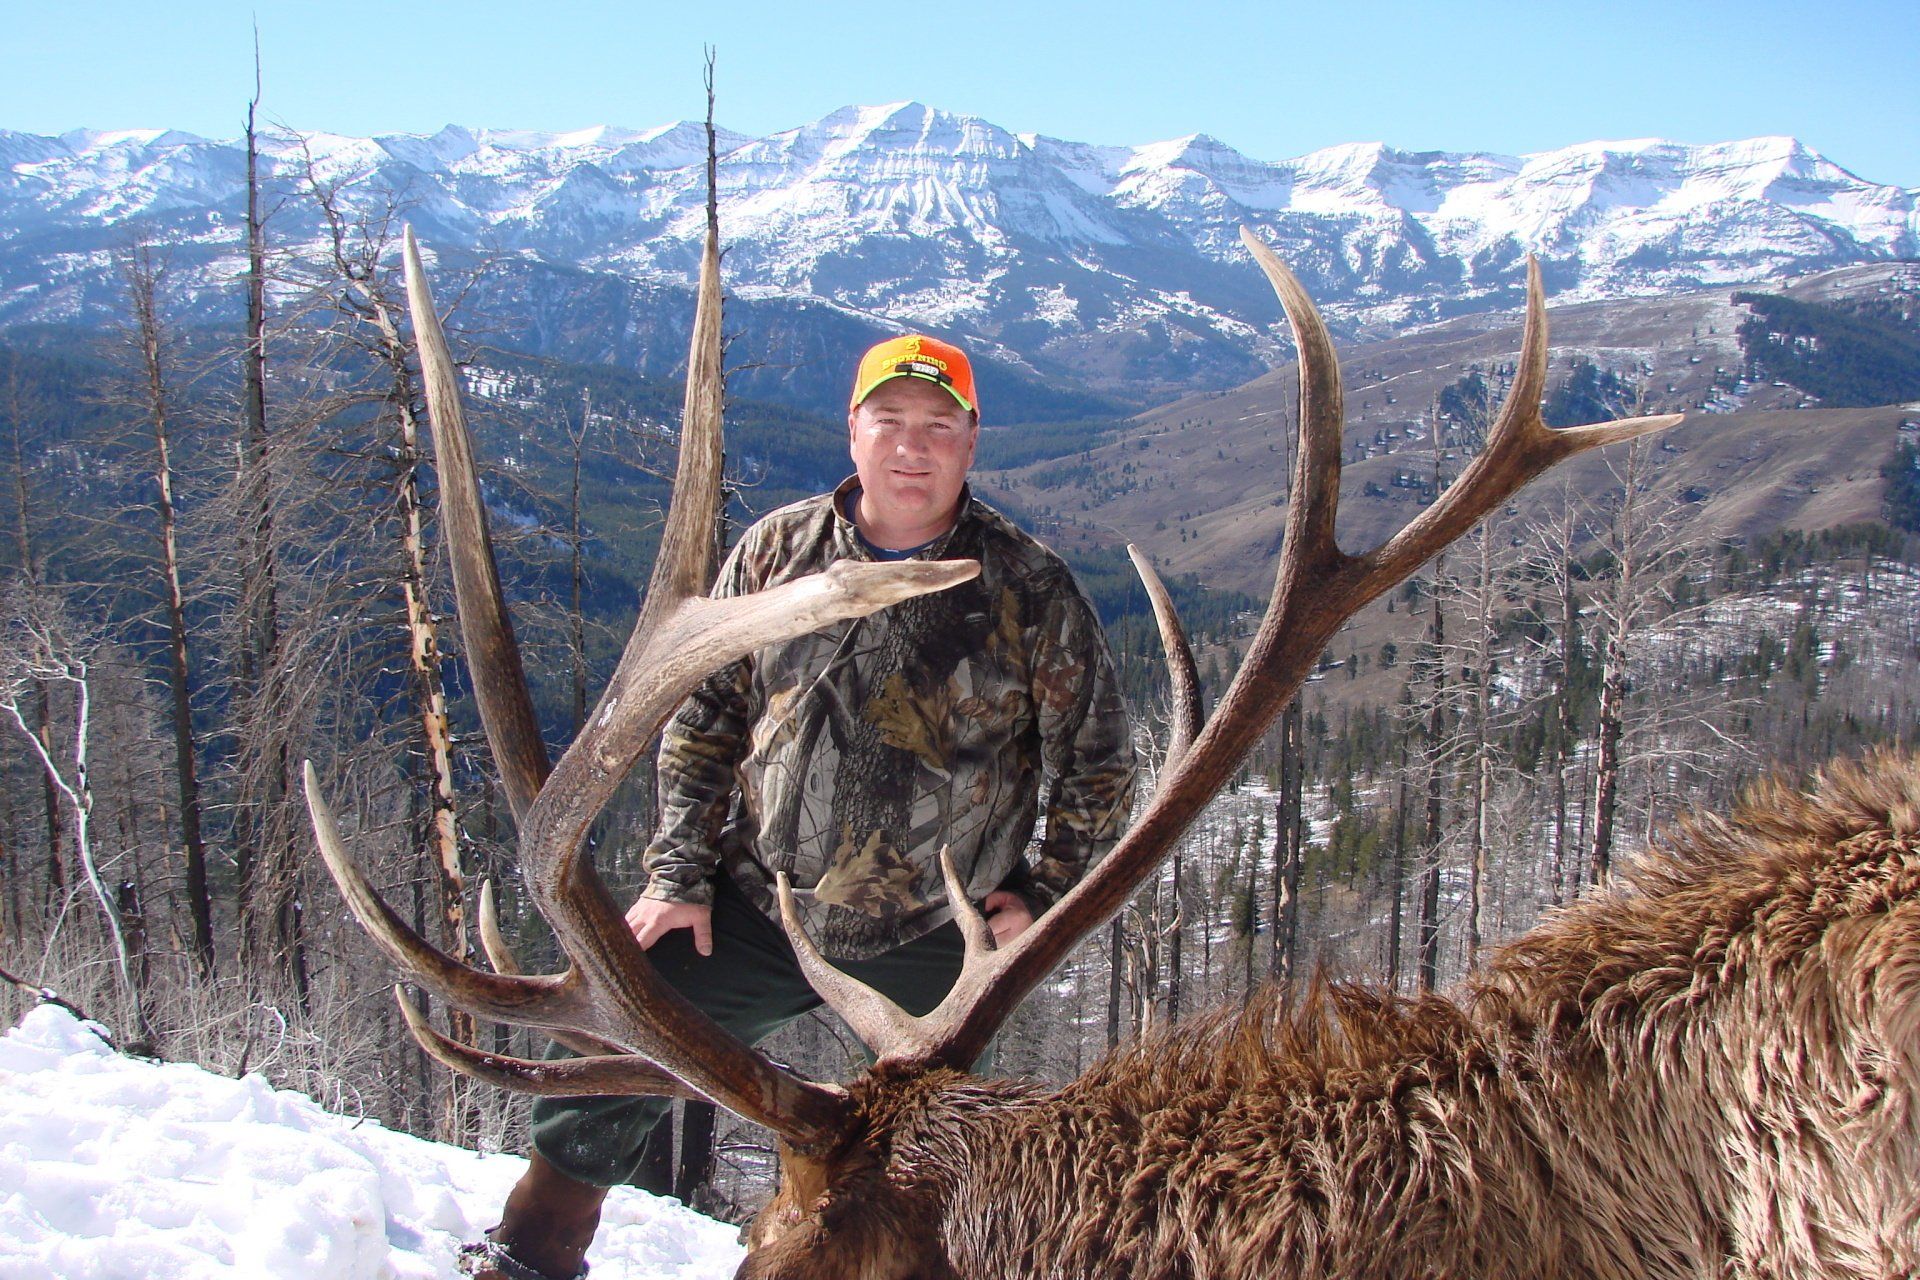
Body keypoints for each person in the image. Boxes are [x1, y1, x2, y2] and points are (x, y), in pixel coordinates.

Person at [462, 334, 1136, 1280]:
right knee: (611, 1063)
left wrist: (1041, 890)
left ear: (971, 441)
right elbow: (707, 716)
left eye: (938, 427)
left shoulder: (1032, 587)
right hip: (755, 896)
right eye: (890, 422)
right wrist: (678, 875)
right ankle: (535, 1248)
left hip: (937, 932)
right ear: (852, 431)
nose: (913, 446)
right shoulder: (775, 550)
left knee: (916, 1168)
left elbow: (1101, 766)